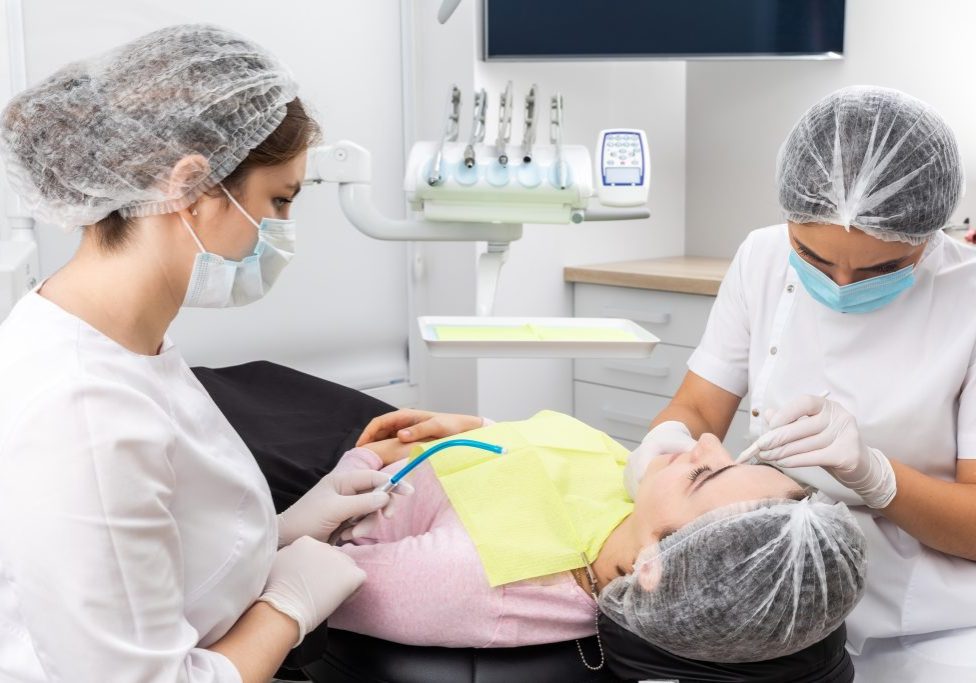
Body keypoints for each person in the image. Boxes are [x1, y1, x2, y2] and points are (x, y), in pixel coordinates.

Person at [362, 86, 976, 680]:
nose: (842, 285)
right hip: (743, 611)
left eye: (883, 267)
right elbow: (698, 409)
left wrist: (877, 477)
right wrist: (663, 452)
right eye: (812, 257)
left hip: (927, 627)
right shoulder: (762, 257)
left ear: (933, 230)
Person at [0, 24, 401, 683]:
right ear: (192, 185)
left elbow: (160, 542)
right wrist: (286, 603)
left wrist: (285, 529)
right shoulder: (79, 412)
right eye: (279, 200)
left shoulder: (121, 339)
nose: (283, 232)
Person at [333, 412, 865, 666]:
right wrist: (477, 433)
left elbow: (307, 574)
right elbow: (543, 471)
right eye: (732, 457)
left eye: (704, 474)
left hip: (339, 473)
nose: (706, 441)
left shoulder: (480, 580)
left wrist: (364, 462)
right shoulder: (633, 509)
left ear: (655, 563)